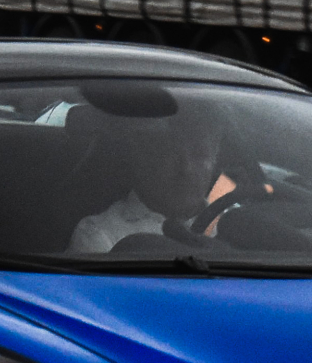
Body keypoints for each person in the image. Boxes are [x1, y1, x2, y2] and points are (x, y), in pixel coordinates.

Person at [69, 106, 241, 253]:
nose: (186, 168)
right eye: (171, 153)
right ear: (142, 157)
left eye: (199, 154)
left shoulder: (238, 221)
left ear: (215, 159)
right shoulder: (100, 234)